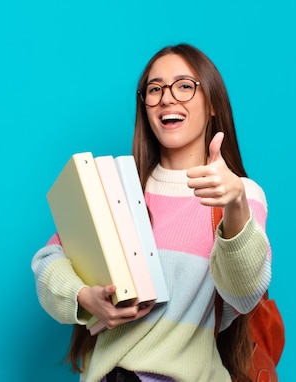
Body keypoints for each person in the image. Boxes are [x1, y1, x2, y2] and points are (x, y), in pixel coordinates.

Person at [32, 43, 272, 382]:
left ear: (213, 103)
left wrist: (234, 206)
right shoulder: (118, 190)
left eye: (185, 86)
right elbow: (48, 260)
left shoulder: (240, 195)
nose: (167, 98)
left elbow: (245, 294)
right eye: (154, 89)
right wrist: (85, 298)